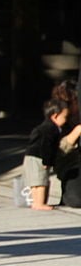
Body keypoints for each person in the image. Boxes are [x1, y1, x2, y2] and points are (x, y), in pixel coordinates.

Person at [23, 98, 71, 210]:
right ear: (55, 116)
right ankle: (40, 203)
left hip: (30, 155)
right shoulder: (51, 129)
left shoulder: (43, 127)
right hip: (39, 157)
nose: (66, 120)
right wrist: (47, 161)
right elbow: (46, 146)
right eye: (64, 117)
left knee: (35, 182)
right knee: (41, 182)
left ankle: (35, 202)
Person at [51, 79, 81, 208]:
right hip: (71, 167)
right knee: (75, 199)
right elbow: (56, 152)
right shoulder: (59, 118)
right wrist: (76, 133)